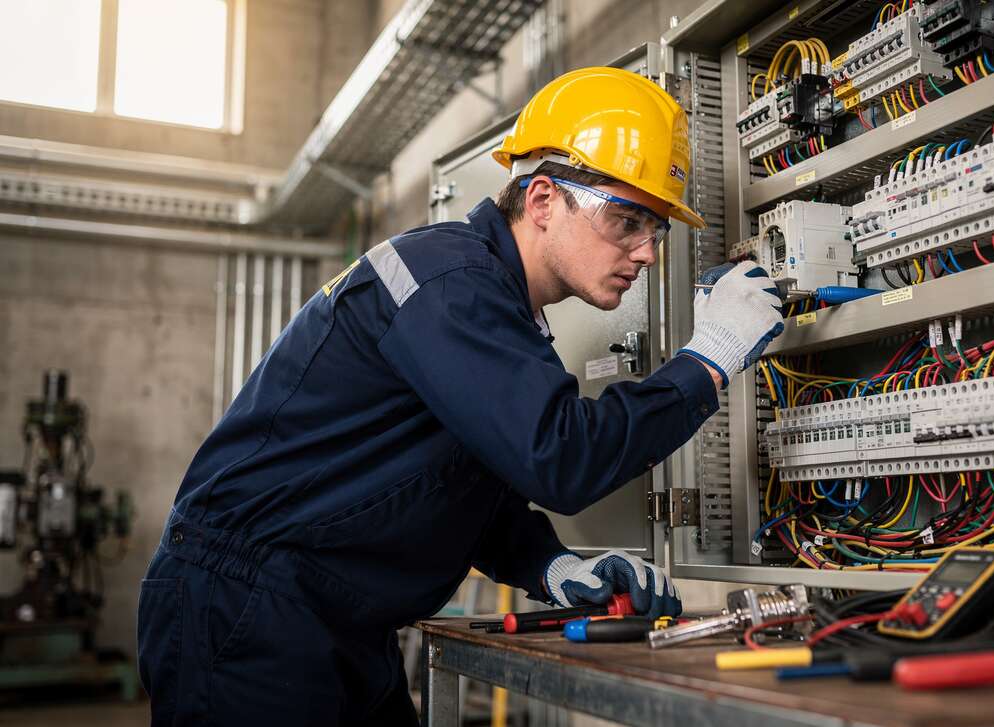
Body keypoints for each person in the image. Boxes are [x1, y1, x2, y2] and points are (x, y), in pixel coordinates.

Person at [136, 66, 783, 725]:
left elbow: (451, 477)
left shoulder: (489, 302)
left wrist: (550, 565)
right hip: (249, 609)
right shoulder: (450, 280)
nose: (646, 252)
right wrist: (712, 356)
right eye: (626, 221)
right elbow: (560, 456)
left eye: (657, 230)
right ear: (541, 201)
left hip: (328, 616)